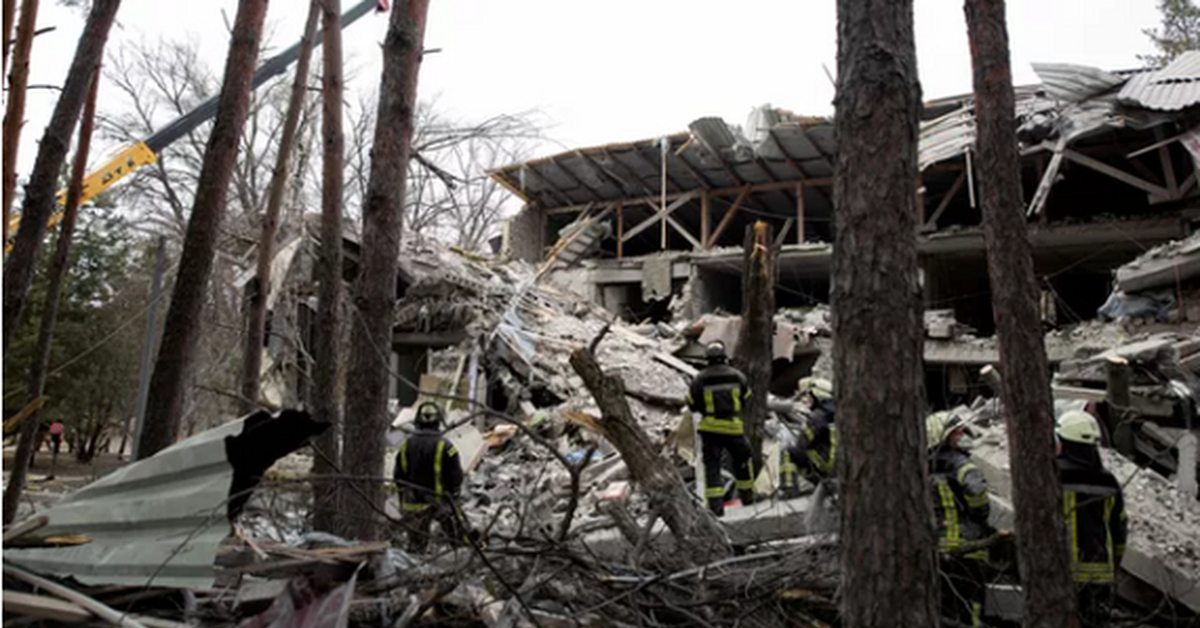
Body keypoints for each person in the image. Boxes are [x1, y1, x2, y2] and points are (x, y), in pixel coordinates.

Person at [1056, 409, 1127, 627]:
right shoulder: (1108, 481)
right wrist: (1113, 565)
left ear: (1065, 442)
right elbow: (1120, 529)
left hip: (1060, 574)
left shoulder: (1052, 476)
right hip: (1099, 576)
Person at [928, 411, 991, 627]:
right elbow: (977, 491)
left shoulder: (921, 467)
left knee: (944, 609)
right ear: (944, 436)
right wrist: (979, 515)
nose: (961, 434)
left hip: (937, 549)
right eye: (956, 431)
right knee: (972, 608)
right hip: (969, 548)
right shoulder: (961, 463)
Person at [686, 340, 755, 516]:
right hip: (733, 428)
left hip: (710, 430)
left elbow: (692, 405)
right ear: (724, 357)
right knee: (742, 461)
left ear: (707, 359)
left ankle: (716, 508)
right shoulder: (737, 376)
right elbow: (747, 399)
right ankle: (748, 498)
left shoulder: (699, 379)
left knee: (712, 467)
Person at [394, 402, 467, 552]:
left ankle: (414, 570)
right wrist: (453, 494)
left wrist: (405, 496)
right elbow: (456, 477)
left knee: (415, 547)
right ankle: (463, 562)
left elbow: (398, 476)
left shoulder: (405, 445)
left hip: (413, 504)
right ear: (439, 421)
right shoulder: (447, 447)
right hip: (441, 502)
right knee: (458, 538)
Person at [780, 377, 837, 498]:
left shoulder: (816, 417)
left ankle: (789, 489)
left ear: (817, 395)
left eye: (809, 395)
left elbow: (801, 445)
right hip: (840, 469)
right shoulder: (840, 412)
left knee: (788, 452)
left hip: (824, 466)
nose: (807, 399)